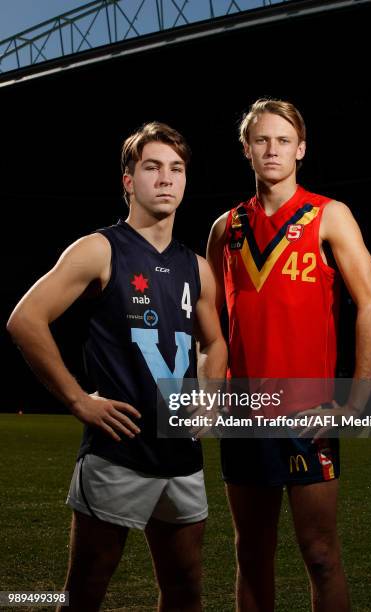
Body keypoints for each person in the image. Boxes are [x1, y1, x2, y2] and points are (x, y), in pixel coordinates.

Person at [7, 121, 227, 612]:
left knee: (185, 589)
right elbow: (25, 320)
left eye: (176, 169)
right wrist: (77, 399)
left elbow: (214, 343)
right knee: (86, 592)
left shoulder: (198, 267)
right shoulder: (100, 249)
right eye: (152, 167)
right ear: (129, 180)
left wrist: (210, 397)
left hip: (181, 456)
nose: (166, 179)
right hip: (118, 455)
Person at [207, 99, 371, 612]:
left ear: (301, 149)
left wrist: (355, 405)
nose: (272, 149)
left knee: (322, 554)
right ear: (246, 149)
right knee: (251, 555)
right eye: (261, 140)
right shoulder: (225, 228)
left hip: (309, 414)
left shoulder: (329, 215)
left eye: (283, 140)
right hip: (244, 417)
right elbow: (211, 327)